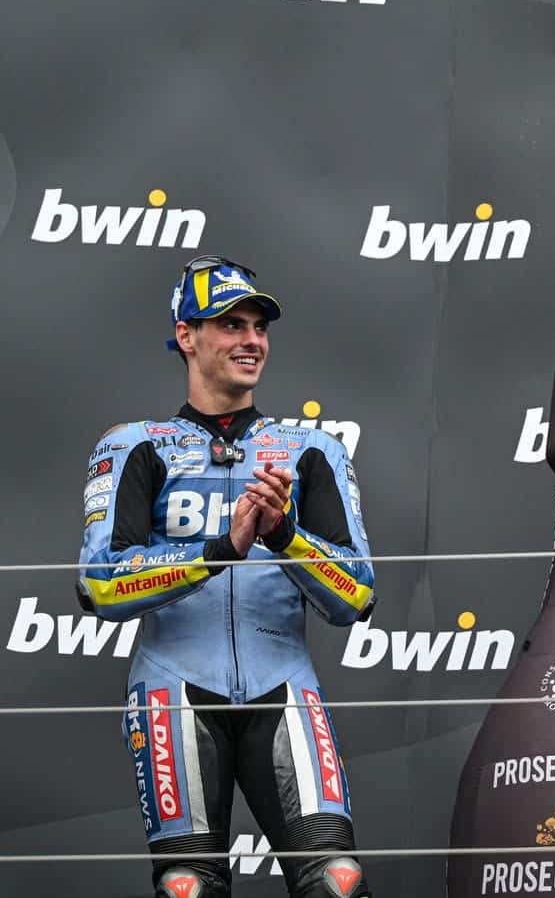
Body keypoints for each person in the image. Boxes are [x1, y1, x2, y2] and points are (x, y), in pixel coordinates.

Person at [77, 257, 377, 898]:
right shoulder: (137, 445)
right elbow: (101, 585)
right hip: (173, 692)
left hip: (285, 685)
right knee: (189, 888)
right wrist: (222, 548)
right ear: (187, 336)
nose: (252, 341)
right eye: (230, 325)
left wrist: (284, 538)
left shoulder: (311, 449)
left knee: (338, 883)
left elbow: (356, 595)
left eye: (260, 327)